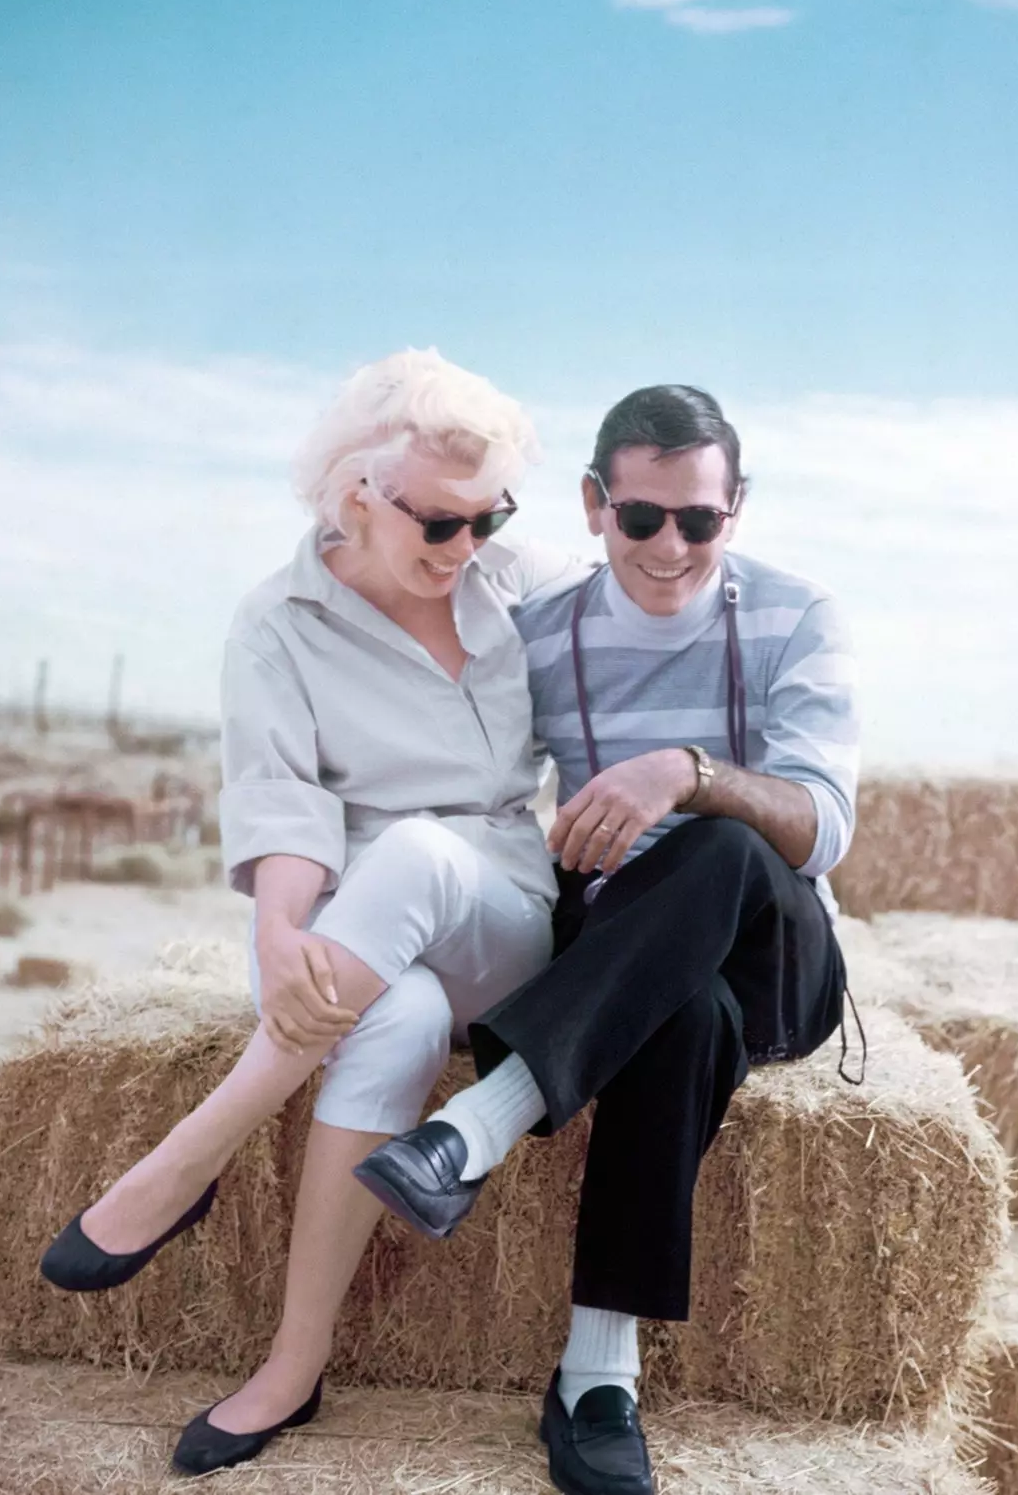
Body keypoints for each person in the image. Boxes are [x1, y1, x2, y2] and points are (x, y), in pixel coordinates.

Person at [37, 348, 583, 1477]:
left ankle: (189, 1157)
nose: (465, 547)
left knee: (424, 850)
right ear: (355, 498)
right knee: (389, 1022)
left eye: (488, 519)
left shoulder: (518, 584)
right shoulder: (275, 624)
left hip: (503, 915)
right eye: (440, 523)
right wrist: (279, 935)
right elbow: (282, 801)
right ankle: (293, 1365)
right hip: (348, 926)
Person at [354, 383, 862, 1495]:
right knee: (676, 1010)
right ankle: (596, 1380)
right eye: (642, 518)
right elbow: (466, 790)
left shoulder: (796, 613)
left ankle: (480, 1123)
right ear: (593, 505)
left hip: (775, 946)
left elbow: (823, 827)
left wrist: (685, 773)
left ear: (736, 510)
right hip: (626, 943)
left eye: (699, 519)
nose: (669, 546)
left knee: (723, 845)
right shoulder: (539, 636)